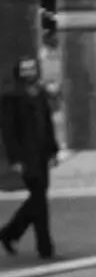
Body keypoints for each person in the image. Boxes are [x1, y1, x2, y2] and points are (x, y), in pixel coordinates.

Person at [0, 57, 60, 259]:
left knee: (38, 198)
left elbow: (47, 124)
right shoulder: (11, 98)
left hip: (42, 155)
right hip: (26, 158)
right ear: (19, 73)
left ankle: (9, 234)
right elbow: (8, 132)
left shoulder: (40, 95)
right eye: (25, 69)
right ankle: (45, 247)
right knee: (39, 199)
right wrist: (15, 159)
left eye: (32, 69)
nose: (29, 73)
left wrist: (53, 150)